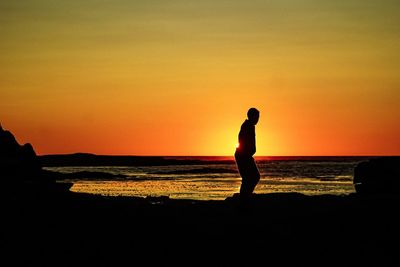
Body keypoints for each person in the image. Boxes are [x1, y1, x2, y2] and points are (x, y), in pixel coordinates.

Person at [234, 108, 261, 198]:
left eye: (258, 117)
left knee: (251, 177)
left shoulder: (249, 126)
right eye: (256, 117)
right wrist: (246, 153)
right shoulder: (247, 126)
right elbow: (242, 140)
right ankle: (244, 196)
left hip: (245, 155)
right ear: (252, 116)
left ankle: (246, 195)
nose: (258, 119)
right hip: (243, 155)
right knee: (252, 177)